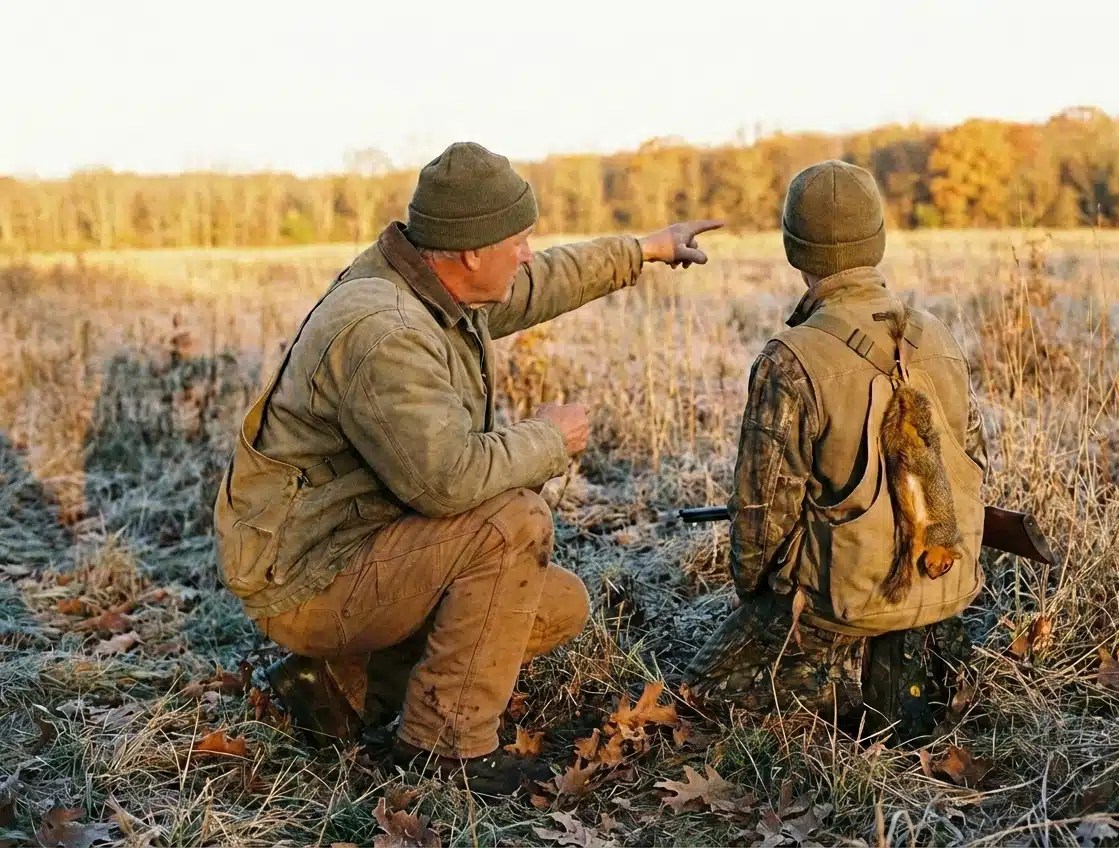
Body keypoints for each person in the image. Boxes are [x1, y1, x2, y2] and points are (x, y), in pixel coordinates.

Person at [212, 141, 721, 794]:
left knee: (557, 604)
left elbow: (540, 282)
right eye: (521, 240)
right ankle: (444, 751)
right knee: (511, 522)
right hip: (307, 575)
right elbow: (447, 483)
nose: (528, 253)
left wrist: (644, 249)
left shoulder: (433, 282)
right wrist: (547, 438)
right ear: (473, 251)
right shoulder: (385, 330)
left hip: (357, 541)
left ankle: (337, 687)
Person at [682, 160, 988, 742]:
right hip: (944, 588)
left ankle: (841, 670)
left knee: (691, 704)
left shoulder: (790, 357)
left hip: (835, 608)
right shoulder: (940, 337)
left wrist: (762, 613)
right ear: (877, 239)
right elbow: (974, 466)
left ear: (795, 250)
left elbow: (761, 520)